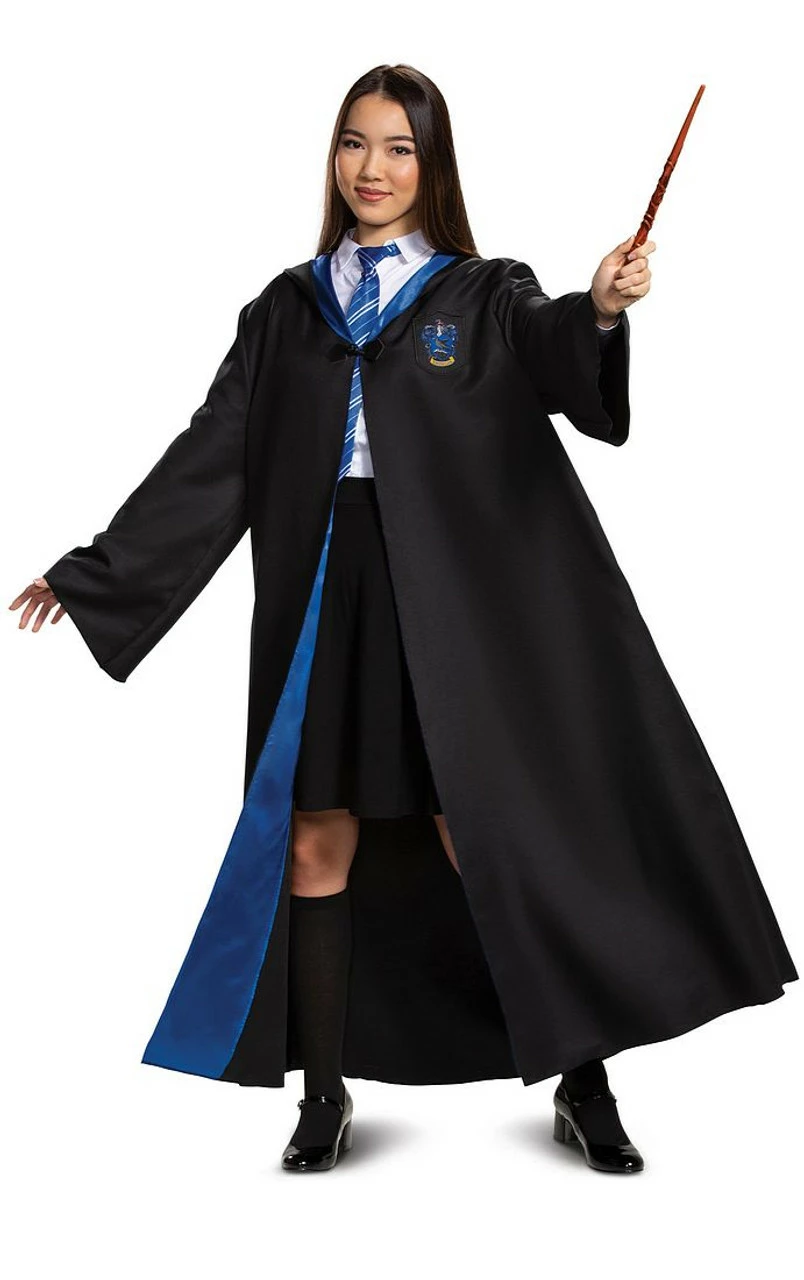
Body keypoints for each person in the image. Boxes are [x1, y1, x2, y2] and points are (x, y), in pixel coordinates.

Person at [10, 64, 797, 1176]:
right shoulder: (287, 309)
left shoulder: (481, 294)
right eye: (354, 143)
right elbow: (214, 454)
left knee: (486, 828)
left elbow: (554, 353)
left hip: (454, 606)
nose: (372, 169)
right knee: (314, 832)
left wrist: (599, 310)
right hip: (324, 596)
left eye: (398, 148)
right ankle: (323, 1096)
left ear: (433, 166)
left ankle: (584, 1081)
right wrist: (99, 572)